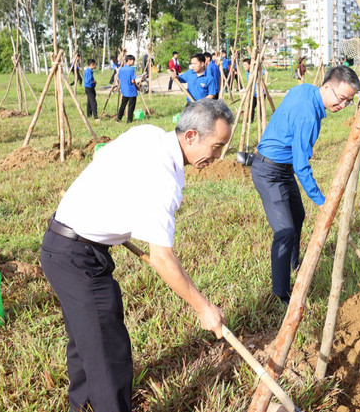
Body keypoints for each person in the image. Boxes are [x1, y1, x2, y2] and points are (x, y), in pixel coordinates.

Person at [40, 99, 233, 412]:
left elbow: (102, 155)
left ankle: (83, 405)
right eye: (216, 146)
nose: (218, 156)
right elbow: (161, 258)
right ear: (191, 137)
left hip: (63, 246)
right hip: (77, 255)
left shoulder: (147, 134)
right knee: (107, 353)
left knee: (86, 342)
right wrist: (203, 307)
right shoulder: (164, 181)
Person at [252, 66, 360, 304]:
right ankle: (281, 293)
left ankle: (294, 264)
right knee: (285, 231)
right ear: (326, 87)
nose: (342, 106)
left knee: (298, 216)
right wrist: (324, 203)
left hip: (282, 167)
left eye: (348, 102)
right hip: (269, 172)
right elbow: (302, 167)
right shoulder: (307, 115)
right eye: (341, 99)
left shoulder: (304, 90)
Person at [116, 55, 139, 123]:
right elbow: (133, 81)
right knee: (131, 106)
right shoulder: (131, 69)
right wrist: (137, 87)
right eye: (133, 60)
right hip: (131, 90)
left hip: (124, 90)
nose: (133, 62)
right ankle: (129, 120)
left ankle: (118, 119)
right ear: (129, 60)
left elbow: (119, 79)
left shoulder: (121, 69)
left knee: (123, 105)